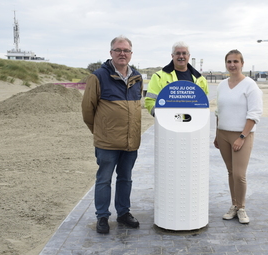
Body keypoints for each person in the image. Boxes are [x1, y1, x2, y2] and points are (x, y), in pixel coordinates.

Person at [81, 35, 143, 233]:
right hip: (106, 143)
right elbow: (87, 111)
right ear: (111, 53)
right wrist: (100, 132)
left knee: (125, 178)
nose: (122, 54)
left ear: (131, 54)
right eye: (118, 50)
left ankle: (123, 213)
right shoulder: (98, 76)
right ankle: (102, 217)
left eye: (126, 50)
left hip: (130, 142)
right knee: (104, 179)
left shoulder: (137, 77)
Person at [213, 49, 263, 224]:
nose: (232, 65)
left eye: (236, 61)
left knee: (239, 174)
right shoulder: (221, 85)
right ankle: (234, 205)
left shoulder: (250, 85)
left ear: (242, 64)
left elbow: (255, 114)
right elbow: (218, 111)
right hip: (223, 133)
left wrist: (242, 137)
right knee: (231, 172)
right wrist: (216, 133)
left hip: (242, 134)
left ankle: (241, 208)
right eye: (229, 62)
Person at [144, 41, 209, 116]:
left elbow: (204, 103)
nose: (181, 56)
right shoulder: (159, 77)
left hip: (193, 123)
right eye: (178, 53)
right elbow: (150, 101)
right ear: (172, 56)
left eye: (184, 53)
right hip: (168, 124)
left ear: (189, 56)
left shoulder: (200, 79)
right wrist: (162, 117)